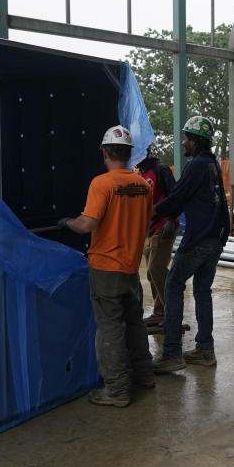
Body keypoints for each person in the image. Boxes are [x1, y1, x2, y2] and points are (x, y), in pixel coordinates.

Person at [58, 125, 154, 407]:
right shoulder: (142, 185)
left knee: (110, 328)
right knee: (135, 324)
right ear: (129, 153)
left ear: (104, 152)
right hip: (130, 268)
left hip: (106, 267)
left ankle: (116, 391)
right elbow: (146, 221)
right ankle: (145, 376)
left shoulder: (102, 184)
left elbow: (88, 223)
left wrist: (67, 223)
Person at [151, 116, 230, 373]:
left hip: (199, 239)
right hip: (215, 238)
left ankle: (172, 353)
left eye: (186, 138)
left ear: (195, 142)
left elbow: (177, 197)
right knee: (202, 291)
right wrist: (224, 235)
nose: (183, 142)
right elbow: (221, 203)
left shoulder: (196, 165)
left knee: (173, 284)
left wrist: (149, 213)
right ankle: (205, 350)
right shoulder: (211, 165)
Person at [136, 145, 179, 324]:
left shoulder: (160, 170)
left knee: (157, 269)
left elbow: (175, 195)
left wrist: (171, 219)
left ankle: (172, 313)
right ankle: (159, 311)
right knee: (150, 274)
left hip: (164, 226)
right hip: (149, 228)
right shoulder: (140, 173)